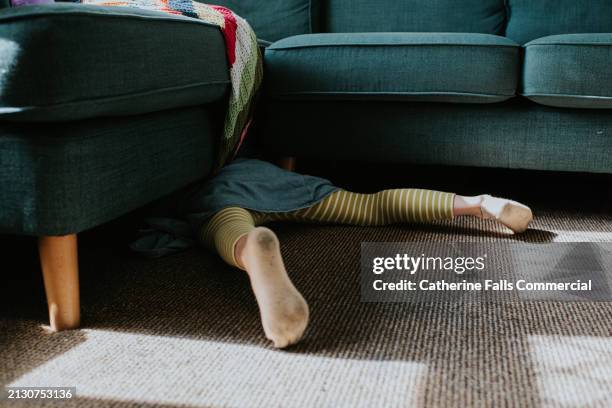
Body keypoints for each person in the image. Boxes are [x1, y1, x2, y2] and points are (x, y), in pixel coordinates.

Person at [179, 158, 533, 348]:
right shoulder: (260, 144)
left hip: (218, 193)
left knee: (225, 225)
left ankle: (250, 253)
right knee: (373, 207)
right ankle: (480, 204)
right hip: (273, 181)